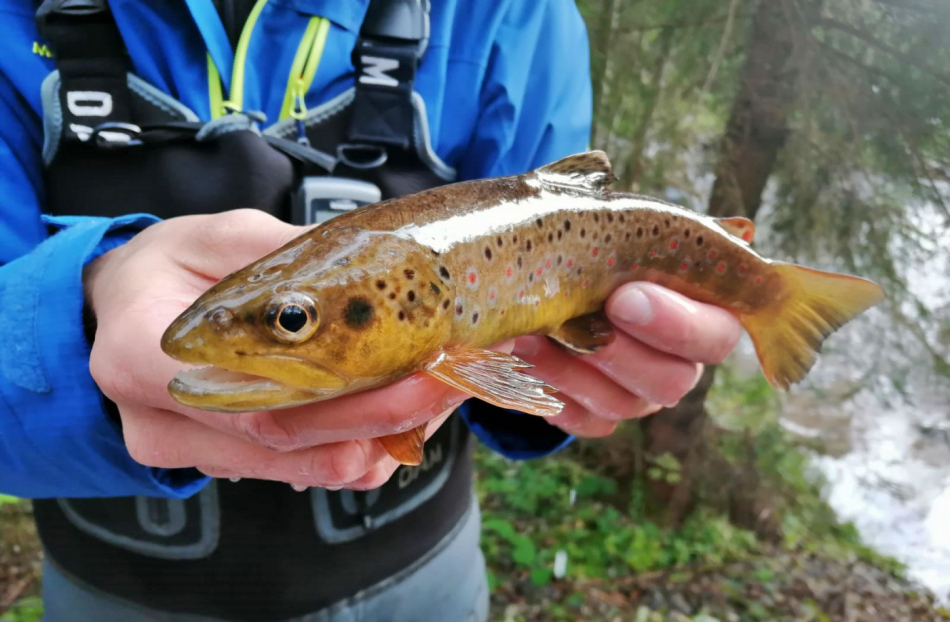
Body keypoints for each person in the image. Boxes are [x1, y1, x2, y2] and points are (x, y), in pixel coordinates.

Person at [0, 0, 742, 620]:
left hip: (423, 580)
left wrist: (574, 381)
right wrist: (76, 322)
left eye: (291, 322)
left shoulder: (513, 12)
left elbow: (541, 367)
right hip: (113, 594)